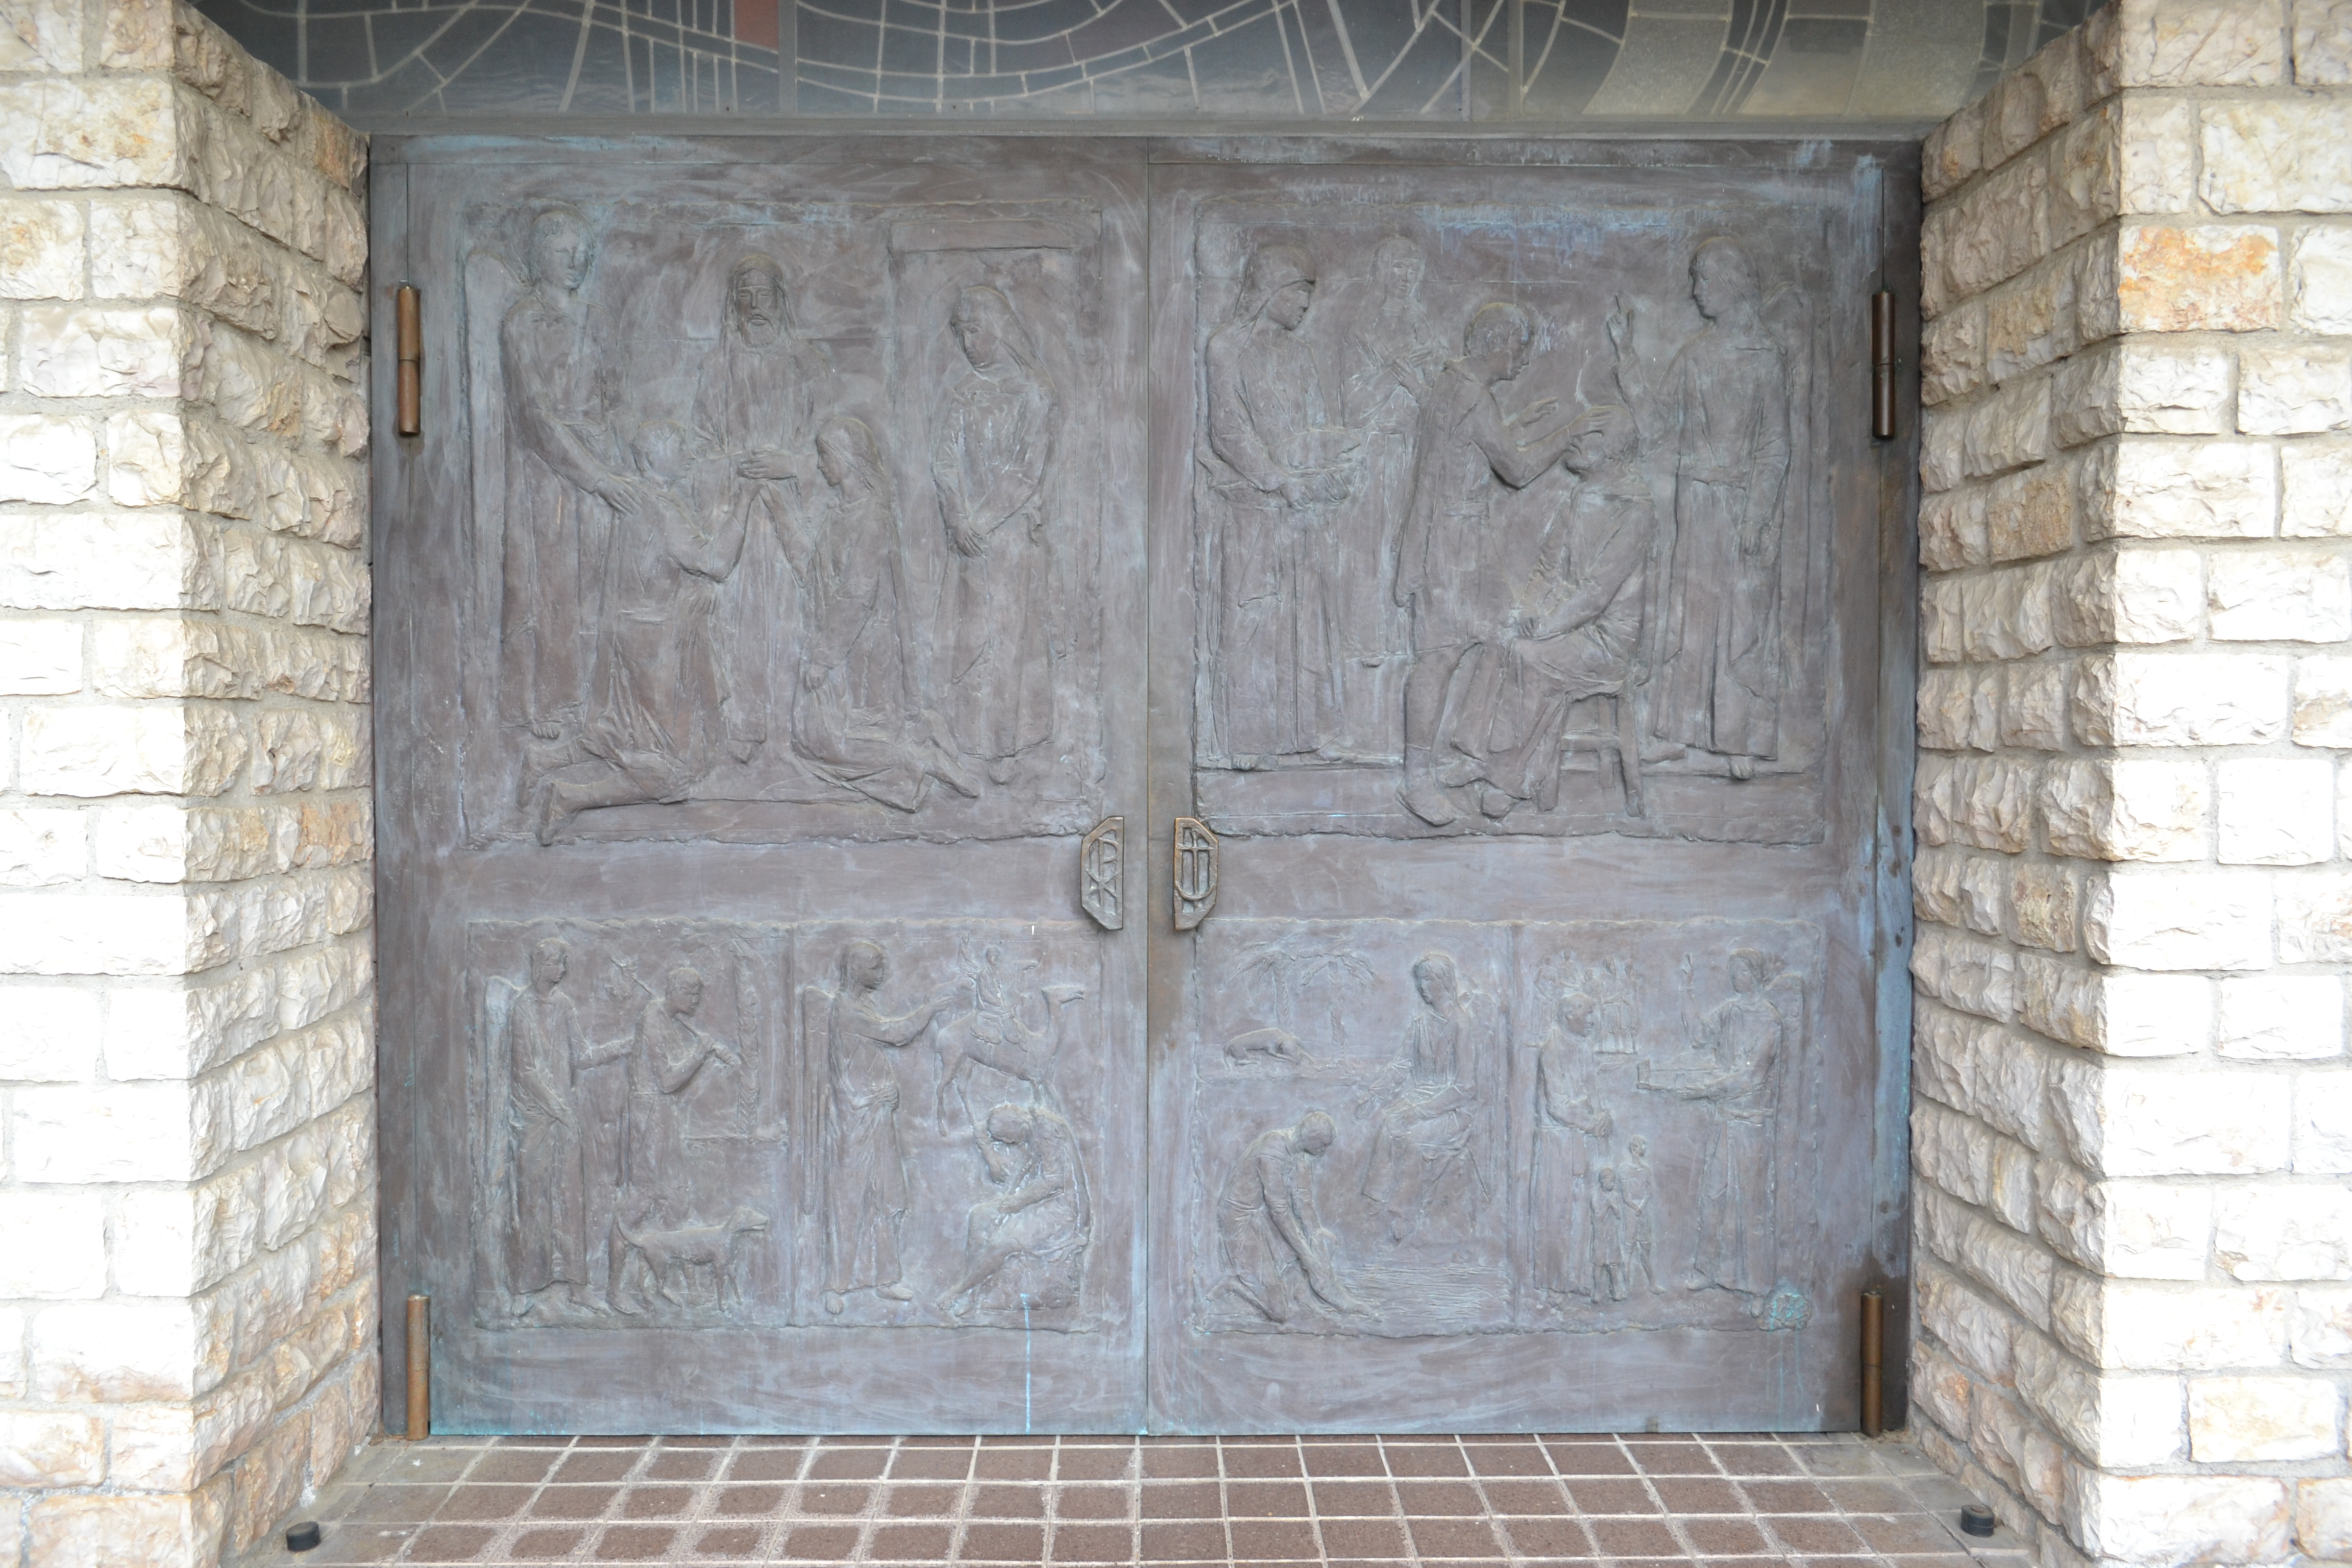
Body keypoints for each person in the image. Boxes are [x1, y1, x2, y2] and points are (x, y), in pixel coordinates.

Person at [1392, 303, 1581, 825]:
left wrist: (1514, 423)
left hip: (1464, 540)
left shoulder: (1456, 386)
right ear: (1497, 342)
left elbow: (1465, 447)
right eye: (1520, 348)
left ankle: (1478, 754)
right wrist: (1568, 435)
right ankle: (1416, 778)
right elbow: (1516, 469)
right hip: (1452, 545)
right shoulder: (1471, 396)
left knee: (1507, 640)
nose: (1524, 360)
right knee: (1439, 660)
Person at [1610, 238, 1792, 776]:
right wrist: (1626, 356)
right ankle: (1678, 731)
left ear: (1733, 283)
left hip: (1742, 507)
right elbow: (1658, 426)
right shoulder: (1694, 355)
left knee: (1740, 620)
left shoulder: (1765, 358)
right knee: (1692, 613)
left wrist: (1758, 515)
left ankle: (1739, 738)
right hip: (1696, 505)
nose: (1696, 291)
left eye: (1705, 279)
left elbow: (1775, 446)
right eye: (1694, 279)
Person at [537, 421, 751, 843]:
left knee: (624, 736)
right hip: (655, 650)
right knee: (674, 771)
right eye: (679, 446)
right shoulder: (662, 510)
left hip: (637, 640)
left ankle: (543, 759)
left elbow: (662, 569)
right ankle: (569, 797)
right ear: (655, 457)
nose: (688, 454)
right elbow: (715, 562)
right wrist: (745, 501)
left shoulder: (638, 501)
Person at [1452, 403, 1652, 819]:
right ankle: (1478, 757)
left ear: (1613, 450)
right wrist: (1528, 609)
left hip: (1606, 639)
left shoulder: (1634, 509)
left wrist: (1546, 626)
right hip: (1565, 622)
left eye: (1589, 435)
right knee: (1502, 636)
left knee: (1530, 656)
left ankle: (1513, 779)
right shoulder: (1580, 496)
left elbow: (1596, 594)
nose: (1574, 439)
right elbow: (1548, 566)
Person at [1204, 243, 1358, 767]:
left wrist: (1330, 464)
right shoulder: (1227, 346)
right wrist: (1278, 480)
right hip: (1255, 508)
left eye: (1310, 294)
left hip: (1303, 510)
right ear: (1271, 289)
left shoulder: (1300, 354)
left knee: (1308, 618)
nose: (1306, 304)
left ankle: (1308, 731)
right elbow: (1228, 430)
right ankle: (1250, 739)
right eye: (1298, 292)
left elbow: (1315, 426)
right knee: (1256, 615)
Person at [783, 417, 983, 812]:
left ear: (848, 459)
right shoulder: (840, 513)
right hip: (842, 651)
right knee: (809, 740)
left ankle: (920, 758)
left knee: (822, 742)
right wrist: (777, 509)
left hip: (862, 658)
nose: (821, 465)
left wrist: (823, 657)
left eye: (825, 456)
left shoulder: (872, 516)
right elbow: (816, 573)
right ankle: (923, 736)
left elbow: (856, 595)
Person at [498, 207, 628, 750]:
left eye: (581, 253)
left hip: (601, 466)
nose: (574, 261)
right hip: (547, 472)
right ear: (538, 258)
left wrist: (622, 469)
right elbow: (535, 416)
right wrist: (595, 476)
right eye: (561, 252)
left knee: (597, 584)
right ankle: (550, 701)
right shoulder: (521, 323)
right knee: (552, 584)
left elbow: (615, 402)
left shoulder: (598, 321)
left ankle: (596, 703)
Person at [695, 253, 831, 759]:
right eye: (745, 297)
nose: (755, 306)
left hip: (793, 515)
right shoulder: (717, 368)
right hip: (738, 517)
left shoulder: (807, 365)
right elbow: (699, 450)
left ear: (781, 300)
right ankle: (747, 725)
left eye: (764, 295)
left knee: (796, 616)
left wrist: (789, 464)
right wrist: (736, 467)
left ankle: (801, 728)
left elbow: (837, 450)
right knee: (741, 621)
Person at [933, 285, 1058, 785]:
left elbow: (1026, 471)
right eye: (960, 334)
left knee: (1007, 638)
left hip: (1007, 541)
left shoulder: (1034, 391)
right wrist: (957, 518)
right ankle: (968, 737)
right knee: (970, 638)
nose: (968, 343)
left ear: (1000, 329)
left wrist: (980, 521)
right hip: (968, 539)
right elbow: (945, 461)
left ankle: (1003, 744)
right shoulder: (966, 391)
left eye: (975, 331)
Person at [1329, 237, 1443, 758]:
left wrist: (1409, 375)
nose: (1405, 274)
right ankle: (1364, 660)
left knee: (1409, 549)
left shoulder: (1424, 327)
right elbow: (1354, 406)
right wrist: (1391, 369)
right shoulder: (1361, 328)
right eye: (1396, 265)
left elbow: (1435, 400)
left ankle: (1405, 650)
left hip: (1414, 454)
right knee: (1368, 556)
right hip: (1374, 458)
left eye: (1411, 266)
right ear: (1380, 271)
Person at [819, 940, 956, 1315]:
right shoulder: (846, 1009)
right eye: (875, 966)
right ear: (855, 969)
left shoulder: (863, 1005)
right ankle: (836, 1285)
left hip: (878, 1118)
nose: (882, 973)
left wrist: (887, 1089)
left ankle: (885, 1278)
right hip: (855, 1122)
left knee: (889, 1198)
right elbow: (895, 1034)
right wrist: (929, 1008)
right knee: (849, 1201)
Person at [1640, 949, 1786, 1299]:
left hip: (1751, 1124)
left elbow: (1751, 1077)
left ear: (1757, 975)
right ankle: (1710, 1271)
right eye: (1733, 971)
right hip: (1724, 1119)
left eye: (1743, 971)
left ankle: (1756, 1285)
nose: (1736, 977)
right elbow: (1700, 1036)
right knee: (1714, 1194)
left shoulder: (1770, 1021)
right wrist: (1687, 990)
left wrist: (1703, 1090)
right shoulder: (1730, 1011)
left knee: (1750, 1201)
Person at [1360, 952, 1484, 1243]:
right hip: (1420, 1098)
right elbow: (1401, 1066)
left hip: (1454, 1109)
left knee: (1414, 1140)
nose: (1422, 987)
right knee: (1388, 1125)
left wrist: (1417, 1113)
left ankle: (1405, 1213)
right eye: (1420, 980)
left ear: (1444, 981)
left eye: (1428, 980)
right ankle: (1375, 1200)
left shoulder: (1461, 1024)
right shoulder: (1419, 1024)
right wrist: (1373, 1094)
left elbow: (1466, 1087)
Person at [938, 1101, 1091, 1318]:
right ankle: (972, 1293)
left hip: (1061, 1208)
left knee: (1003, 1243)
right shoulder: (1031, 1123)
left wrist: (1018, 1202)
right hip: (1038, 1200)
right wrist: (990, 1156)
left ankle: (959, 1291)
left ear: (1017, 1124)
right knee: (980, 1216)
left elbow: (1054, 1182)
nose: (1009, 1142)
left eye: (1007, 1137)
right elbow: (982, 1129)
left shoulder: (1045, 1130)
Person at [504, 938, 590, 1312]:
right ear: (540, 966)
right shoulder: (522, 1009)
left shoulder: (565, 1006)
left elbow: (581, 1055)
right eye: (557, 963)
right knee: (533, 1200)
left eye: (564, 962)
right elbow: (525, 1071)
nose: (563, 970)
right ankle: (526, 1286)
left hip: (565, 1119)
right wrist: (558, 1108)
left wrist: (624, 1046)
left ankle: (576, 1285)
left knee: (571, 1198)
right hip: (535, 1120)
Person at [1215, 1111, 1360, 1324]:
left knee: (1315, 1249)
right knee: (1279, 1313)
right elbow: (1279, 1210)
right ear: (1310, 1137)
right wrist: (1307, 1255)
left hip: (1264, 1219)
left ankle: (1305, 1298)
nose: (1324, 1151)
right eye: (1323, 1145)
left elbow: (1303, 1199)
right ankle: (1234, 1286)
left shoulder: (1301, 1154)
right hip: (1241, 1221)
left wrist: (1315, 1235)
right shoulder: (1272, 1151)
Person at [1530, 986, 1613, 1302]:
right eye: (1587, 1013)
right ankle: (1555, 1284)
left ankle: (1577, 1278)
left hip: (1582, 1140)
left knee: (1581, 1212)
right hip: (1558, 1145)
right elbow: (1558, 1106)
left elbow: (1593, 1091)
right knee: (1558, 1212)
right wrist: (1591, 1122)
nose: (1593, 1020)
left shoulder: (1584, 1048)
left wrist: (1603, 1116)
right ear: (1569, 1016)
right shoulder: (1552, 1049)